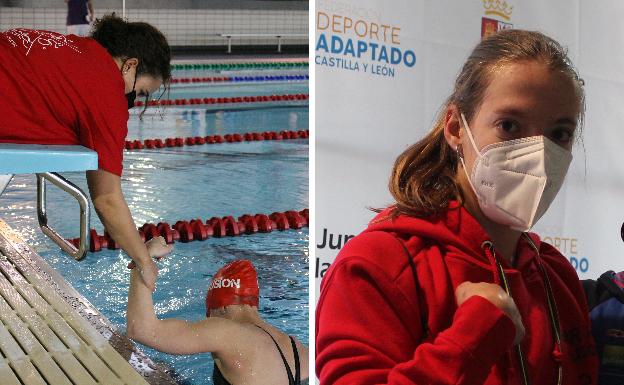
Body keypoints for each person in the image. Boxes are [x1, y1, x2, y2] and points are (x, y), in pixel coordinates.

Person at [316, 29, 600, 384]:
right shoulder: (379, 265)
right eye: (509, 125)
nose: (538, 154)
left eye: (559, 134)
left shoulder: (556, 277)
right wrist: (471, 339)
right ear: (455, 128)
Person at [0, 15, 171, 291]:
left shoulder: (77, 48)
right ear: (130, 65)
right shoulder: (108, 91)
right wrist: (145, 262)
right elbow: (107, 199)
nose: (132, 99)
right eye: (139, 91)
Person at [126, 237, 309, 385]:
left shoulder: (225, 331)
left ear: (222, 306)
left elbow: (141, 330)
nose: (209, 318)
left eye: (210, 312)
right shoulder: (297, 348)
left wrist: (143, 260)